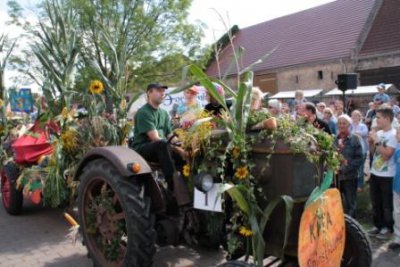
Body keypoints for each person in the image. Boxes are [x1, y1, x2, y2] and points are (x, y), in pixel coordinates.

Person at [131, 83, 185, 193]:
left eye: (163, 91)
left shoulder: (164, 113)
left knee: (182, 151)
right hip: (143, 148)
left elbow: (170, 136)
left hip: (162, 146)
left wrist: (182, 143)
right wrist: (173, 146)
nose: (162, 93)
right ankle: (173, 185)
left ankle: (186, 182)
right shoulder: (143, 112)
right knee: (162, 144)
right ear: (149, 93)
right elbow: (155, 138)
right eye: (159, 90)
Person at [368, 107, 396, 239]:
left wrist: (377, 141)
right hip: (375, 173)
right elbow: (374, 154)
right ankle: (378, 226)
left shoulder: (394, 134)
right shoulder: (378, 134)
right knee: (376, 202)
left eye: (378, 117)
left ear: (387, 118)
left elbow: (386, 155)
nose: (376, 120)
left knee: (386, 204)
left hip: (388, 175)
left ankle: (388, 229)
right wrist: (370, 142)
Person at [335, 114, 363, 217]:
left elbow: (359, 158)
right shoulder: (334, 139)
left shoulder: (355, 139)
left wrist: (344, 168)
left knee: (351, 203)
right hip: (336, 178)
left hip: (350, 177)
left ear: (349, 125)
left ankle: (352, 227)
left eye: (344, 123)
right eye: (340, 123)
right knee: (337, 203)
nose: (341, 125)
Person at [350, 110, 369, 191]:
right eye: (353, 115)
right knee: (353, 169)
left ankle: (360, 185)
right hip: (352, 150)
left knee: (360, 169)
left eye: (356, 115)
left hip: (362, 150)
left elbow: (365, 133)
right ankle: (353, 184)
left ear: (359, 117)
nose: (354, 117)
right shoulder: (350, 126)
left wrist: (355, 133)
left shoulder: (363, 126)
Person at [389, 128, 400, 250]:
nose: (396, 135)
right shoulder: (397, 150)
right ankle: (398, 238)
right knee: (397, 213)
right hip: (397, 186)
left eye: (398, 133)